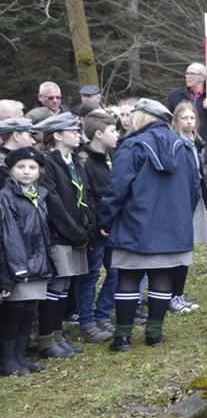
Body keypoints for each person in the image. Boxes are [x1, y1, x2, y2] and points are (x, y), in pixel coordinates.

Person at [99, 99, 200, 352]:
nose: (131, 119)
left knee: (128, 277)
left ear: (145, 117)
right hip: (173, 225)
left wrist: (106, 219)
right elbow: (195, 188)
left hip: (135, 222)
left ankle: (122, 337)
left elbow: (117, 187)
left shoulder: (132, 146)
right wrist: (181, 217)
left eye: (135, 114)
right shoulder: (184, 147)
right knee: (162, 276)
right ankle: (154, 334)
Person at [35, 113, 92, 357]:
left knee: (65, 285)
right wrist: (74, 231)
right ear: (57, 136)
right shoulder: (49, 163)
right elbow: (54, 203)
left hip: (75, 233)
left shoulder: (74, 161)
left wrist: (84, 228)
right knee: (55, 286)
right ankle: (47, 341)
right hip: (61, 234)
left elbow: (83, 197)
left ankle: (58, 337)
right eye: (72, 130)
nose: (78, 134)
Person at [0, 147, 56, 376]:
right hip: (18, 264)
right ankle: (8, 360)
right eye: (20, 167)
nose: (26, 172)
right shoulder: (6, 197)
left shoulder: (39, 195)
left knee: (28, 309)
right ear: (11, 170)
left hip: (37, 263)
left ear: (39, 171)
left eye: (32, 167)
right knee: (15, 310)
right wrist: (14, 271)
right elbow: (9, 237)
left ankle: (21, 356)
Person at [77, 110, 121, 339]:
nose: (118, 134)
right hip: (96, 229)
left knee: (114, 273)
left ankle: (103, 314)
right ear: (98, 134)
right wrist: (96, 225)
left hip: (113, 225)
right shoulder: (83, 161)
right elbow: (88, 198)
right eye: (113, 131)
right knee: (90, 276)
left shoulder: (112, 155)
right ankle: (86, 321)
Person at [168, 103, 207, 313]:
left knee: (187, 250)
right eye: (184, 118)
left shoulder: (198, 143)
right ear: (176, 121)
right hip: (177, 203)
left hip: (195, 201)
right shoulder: (172, 144)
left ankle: (178, 294)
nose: (188, 122)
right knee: (177, 250)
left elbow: (202, 175)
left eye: (192, 118)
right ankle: (169, 295)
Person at [166, 62, 207, 142]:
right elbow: (168, 119)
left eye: (192, 73)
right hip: (179, 142)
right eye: (187, 74)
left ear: (202, 77)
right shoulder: (175, 95)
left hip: (205, 144)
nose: (188, 76)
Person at [0, 117, 38, 183]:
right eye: (30, 136)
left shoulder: (27, 157)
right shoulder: (2, 163)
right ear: (16, 136)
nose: (33, 141)